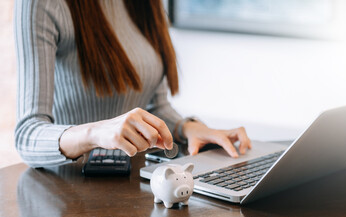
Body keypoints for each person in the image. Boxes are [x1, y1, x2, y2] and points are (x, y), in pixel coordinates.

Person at [14, 0, 252, 168]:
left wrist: (187, 128)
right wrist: (96, 132)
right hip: (67, 197)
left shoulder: (146, 4)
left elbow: (155, 106)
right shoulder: (40, 4)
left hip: (134, 187)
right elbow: (27, 135)